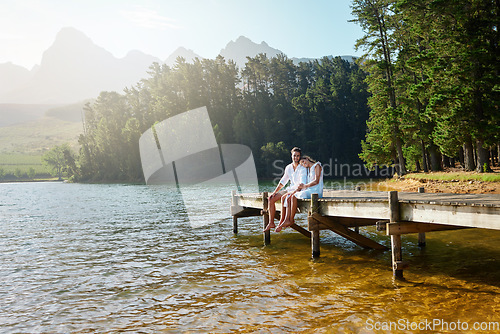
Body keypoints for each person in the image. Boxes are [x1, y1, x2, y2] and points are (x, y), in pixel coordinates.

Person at [263, 147, 307, 232]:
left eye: (298, 156)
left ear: (300, 157)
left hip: (298, 190)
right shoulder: (288, 167)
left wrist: (292, 192)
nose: (296, 158)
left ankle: (282, 222)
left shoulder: (302, 168)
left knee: (285, 197)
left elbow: (302, 184)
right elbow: (283, 181)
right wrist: (274, 192)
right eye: (294, 155)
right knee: (271, 199)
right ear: (291, 155)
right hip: (289, 189)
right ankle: (271, 223)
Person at [275, 155, 323, 232]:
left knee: (293, 196)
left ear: (307, 159)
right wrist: (298, 189)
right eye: (302, 164)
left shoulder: (317, 165)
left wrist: (304, 186)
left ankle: (290, 219)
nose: (304, 164)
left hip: (316, 191)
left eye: (304, 161)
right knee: (288, 196)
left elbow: (316, 181)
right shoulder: (308, 169)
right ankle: (286, 219)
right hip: (308, 190)